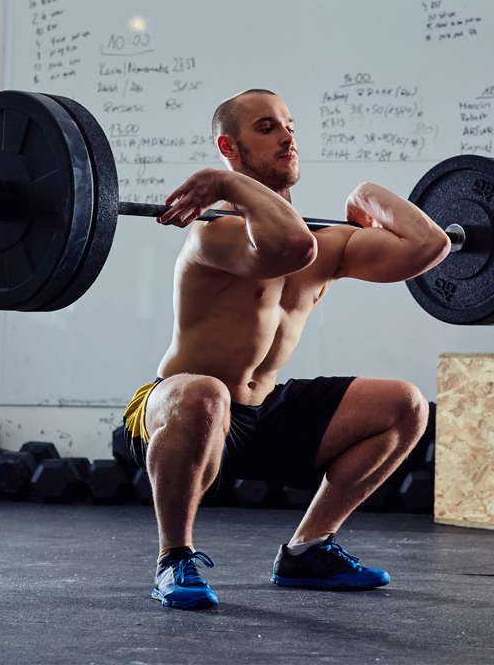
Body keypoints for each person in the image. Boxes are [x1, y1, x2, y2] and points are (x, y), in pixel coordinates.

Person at [122, 89, 450, 610]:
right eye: (267, 127)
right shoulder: (217, 233)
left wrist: (368, 196)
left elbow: (428, 247)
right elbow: (288, 247)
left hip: (261, 412)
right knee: (205, 393)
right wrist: (230, 185)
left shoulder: (330, 243)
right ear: (229, 146)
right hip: (184, 410)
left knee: (405, 406)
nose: (287, 135)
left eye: (290, 125)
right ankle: (173, 558)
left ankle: (308, 549)